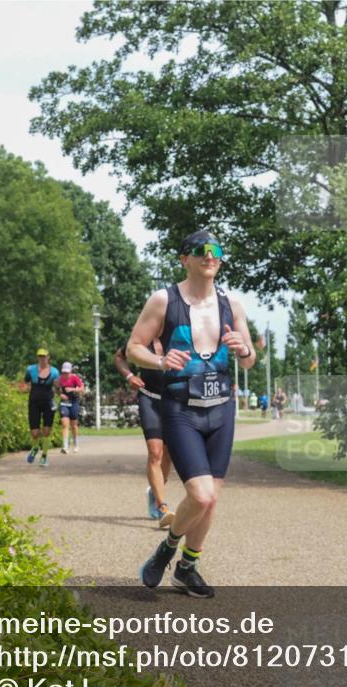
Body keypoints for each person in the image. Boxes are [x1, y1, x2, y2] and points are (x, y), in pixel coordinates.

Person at [128, 229, 256, 598]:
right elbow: (134, 347)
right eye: (201, 250)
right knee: (200, 496)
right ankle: (167, 549)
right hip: (181, 408)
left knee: (212, 498)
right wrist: (159, 360)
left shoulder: (232, 304)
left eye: (216, 250)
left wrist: (243, 349)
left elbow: (249, 361)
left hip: (221, 410)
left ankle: (187, 567)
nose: (210, 256)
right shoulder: (164, 300)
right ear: (185, 258)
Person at [114, 336, 174, 528]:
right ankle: (162, 505)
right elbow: (119, 357)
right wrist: (129, 376)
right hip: (149, 399)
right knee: (155, 451)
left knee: (168, 454)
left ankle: (155, 492)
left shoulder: (176, 335)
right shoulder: (140, 340)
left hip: (174, 402)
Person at [19, 348, 60, 467]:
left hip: (48, 403)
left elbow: (57, 388)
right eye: (40, 356)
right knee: (35, 433)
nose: (42, 359)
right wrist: (25, 388)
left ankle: (44, 456)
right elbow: (26, 381)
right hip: (34, 402)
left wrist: (59, 389)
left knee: (46, 431)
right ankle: (35, 447)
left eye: (44, 356)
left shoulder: (54, 372)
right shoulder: (30, 369)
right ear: (37, 358)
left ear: (48, 357)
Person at [58, 362, 85, 454]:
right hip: (64, 403)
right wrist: (60, 394)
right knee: (65, 424)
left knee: (74, 425)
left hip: (74, 402)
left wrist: (73, 389)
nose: (65, 374)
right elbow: (56, 389)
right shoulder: (60, 378)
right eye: (64, 372)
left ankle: (76, 444)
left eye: (67, 372)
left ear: (71, 371)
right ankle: (65, 447)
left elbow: (82, 389)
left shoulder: (75, 378)